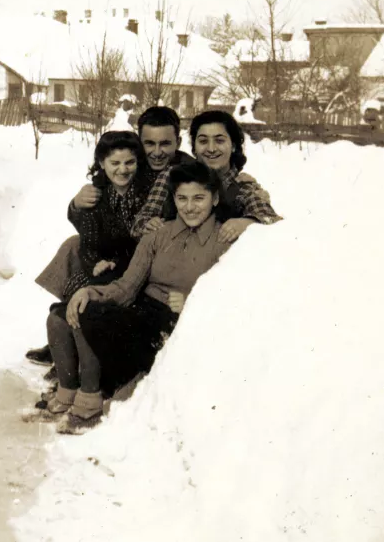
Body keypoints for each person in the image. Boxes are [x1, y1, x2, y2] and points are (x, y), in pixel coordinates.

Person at [35, 161, 247, 435]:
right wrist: (90, 291)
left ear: (215, 198)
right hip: (141, 311)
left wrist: (195, 304)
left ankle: (91, 400)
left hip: (171, 324)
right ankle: (69, 391)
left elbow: (234, 295)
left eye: (199, 198)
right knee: (63, 314)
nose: (190, 207)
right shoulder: (158, 235)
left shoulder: (225, 239)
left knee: (89, 318)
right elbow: (126, 287)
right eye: (182, 198)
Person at [26, 106, 192, 364]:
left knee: (94, 262)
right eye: (149, 143)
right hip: (124, 245)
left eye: (165, 144)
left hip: (150, 255)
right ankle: (68, 330)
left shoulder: (180, 171)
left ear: (178, 142)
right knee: (75, 245)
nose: (157, 152)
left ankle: (79, 331)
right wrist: (77, 204)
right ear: (139, 143)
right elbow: (100, 203)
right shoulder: (135, 163)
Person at [60, 130, 153, 299]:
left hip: (139, 268)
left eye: (130, 162)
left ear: (138, 162)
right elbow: (88, 242)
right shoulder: (96, 196)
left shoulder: (148, 194)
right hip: (105, 266)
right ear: (102, 163)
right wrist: (96, 264)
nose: (123, 169)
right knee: (77, 290)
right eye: (115, 163)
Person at [188, 109, 281, 245]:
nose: (211, 148)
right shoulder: (179, 179)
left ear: (233, 146)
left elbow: (270, 219)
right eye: (203, 141)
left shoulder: (243, 187)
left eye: (219, 141)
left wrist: (248, 222)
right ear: (194, 147)